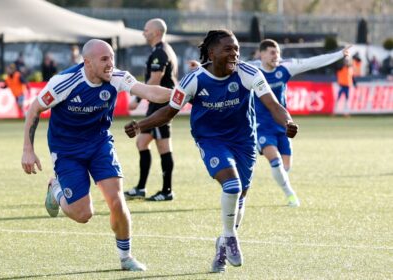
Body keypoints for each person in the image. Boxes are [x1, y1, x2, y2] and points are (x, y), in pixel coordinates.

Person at [124, 30, 299, 273]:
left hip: (244, 142)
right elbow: (168, 112)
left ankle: (223, 243)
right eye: (228, 49)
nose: (234, 54)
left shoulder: (248, 73)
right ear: (211, 52)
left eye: (236, 49)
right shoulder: (193, 79)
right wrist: (140, 124)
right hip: (211, 140)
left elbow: (273, 104)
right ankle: (230, 238)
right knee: (232, 185)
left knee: (241, 197)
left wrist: (287, 121)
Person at [21, 39, 172, 272]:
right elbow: (34, 109)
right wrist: (28, 150)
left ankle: (126, 257)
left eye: (112, 57)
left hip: (100, 144)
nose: (110, 63)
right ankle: (55, 187)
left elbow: (149, 91)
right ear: (87, 62)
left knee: (117, 201)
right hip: (67, 150)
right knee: (83, 214)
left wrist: (182, 95)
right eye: (104, 59)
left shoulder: (117, 77)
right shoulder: (64, 82)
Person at [248, 39, 351, 207]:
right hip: (261, 126)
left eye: (278, 53)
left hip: (282, 123)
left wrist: (339, 54)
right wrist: (199, 68)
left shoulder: (285, 68)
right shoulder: (252, 69)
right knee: (275, 160)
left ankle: (284, 185)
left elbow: (312, 62)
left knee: (286, 166)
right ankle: (290, 195)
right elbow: (226, 66)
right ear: (262, 54)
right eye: (273, 53)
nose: (277, 56)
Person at [124, 18, 178, 202]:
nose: (143, 32)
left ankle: (167, 191)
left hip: (161, 107)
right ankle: (140, 188)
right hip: (158, 104)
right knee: (142, 143)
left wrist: (137, 98)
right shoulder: (164, 49)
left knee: (163, 147)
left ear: (155, 32)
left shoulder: (160, 52)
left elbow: (156, 79)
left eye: (146, 29)